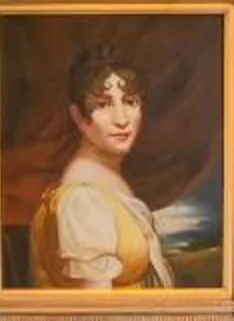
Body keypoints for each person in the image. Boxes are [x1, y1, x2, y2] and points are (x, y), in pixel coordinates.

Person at [27, 52, 173, 289]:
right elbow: (97, 308)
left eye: (130, 102)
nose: (121, 119)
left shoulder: (106, 182)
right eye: (102, 105)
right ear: (78, 116)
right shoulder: (82, 200)